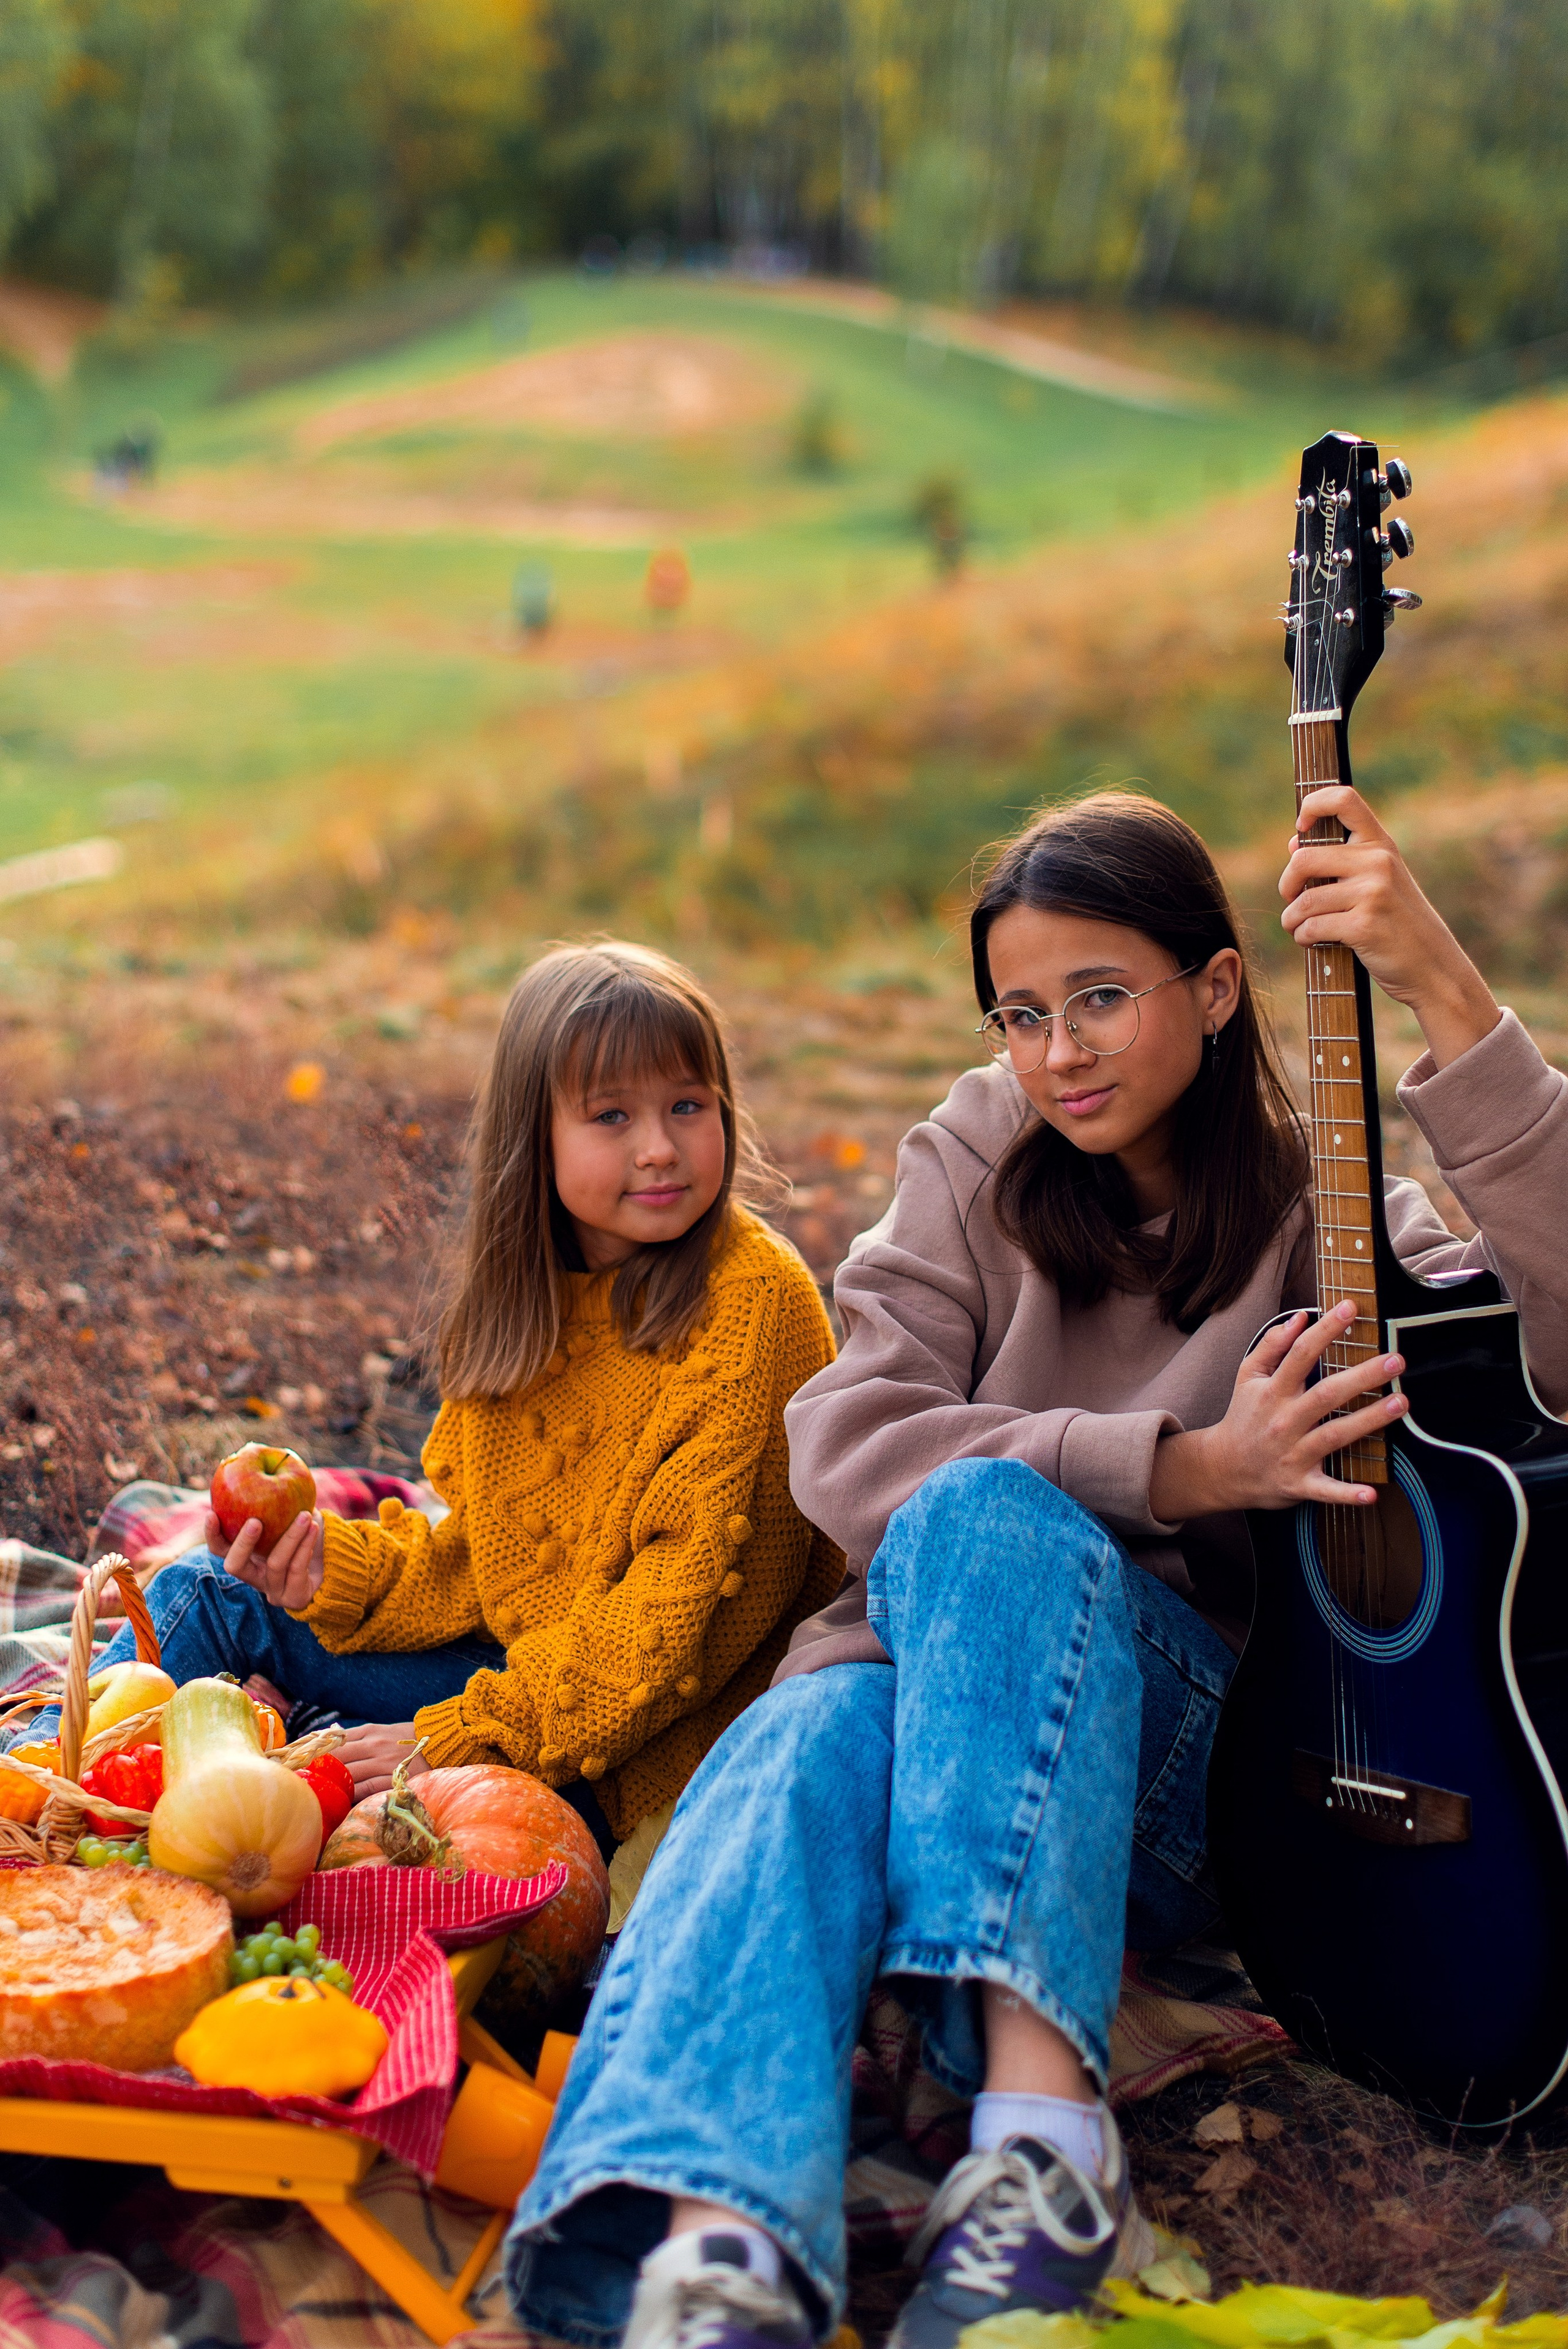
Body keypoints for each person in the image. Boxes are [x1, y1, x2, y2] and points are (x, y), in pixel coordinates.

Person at [505, 789, 1568, 2347]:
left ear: (1212, 990)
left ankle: (1042, 2144)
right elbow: (846, 1440)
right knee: (804, 1730)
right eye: (1018, 1013)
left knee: (987, 1509)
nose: (1055, 1050)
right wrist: (1187, 1465)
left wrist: (1444, 992)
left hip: (1188, 1766)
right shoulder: (976, 1154)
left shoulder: (1320, 1211)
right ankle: (716, 2252)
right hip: (918, 1692)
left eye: (1097, 999)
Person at [81, 942, 842, 1851]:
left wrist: (449, 1739)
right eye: (612, 1116)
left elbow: (668, 1636)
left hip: (640, 1745)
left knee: (262, 1689)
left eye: (689, 1105)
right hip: (522, 1676)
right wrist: (334, 1575)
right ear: (536, 1138)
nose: (660, 1148)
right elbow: (487, 1566)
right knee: (213, 1598)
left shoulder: (755, 1305)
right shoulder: (531, 1299)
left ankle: (56, 1800)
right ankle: (56, 1792)